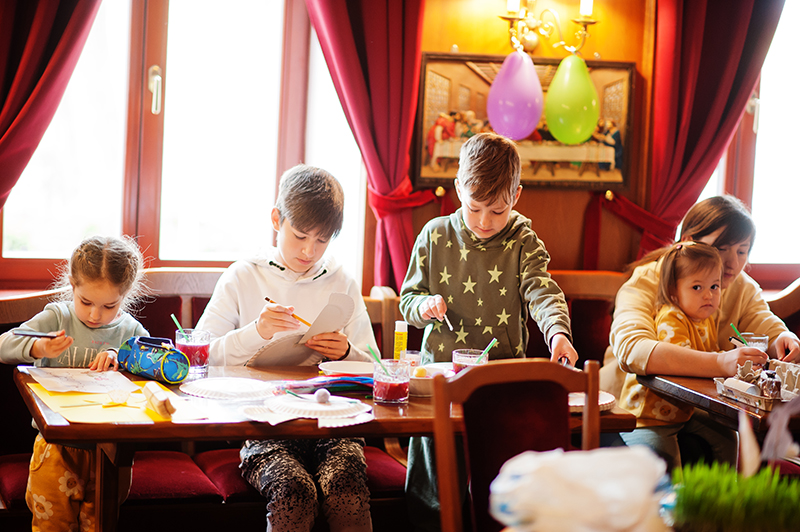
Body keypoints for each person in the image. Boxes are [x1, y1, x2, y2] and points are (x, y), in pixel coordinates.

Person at [399, 132, 578, 531]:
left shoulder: (523, 240)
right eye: (474, 207)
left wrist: (557, 334)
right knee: (433, 492)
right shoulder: (434, 235)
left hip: (500, 385)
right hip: (439, 383)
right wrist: (423, 307)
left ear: (516, 195)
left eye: (497, 211)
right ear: (458, 187)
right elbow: (407, 300)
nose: (483, 222)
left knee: (502, 489)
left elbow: (542, 292)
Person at [195, 164, 377, 532]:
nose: (309, 251)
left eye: (322, 240)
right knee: (294, 491)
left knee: (346, 489)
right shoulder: (244, 275)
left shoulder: (342, 281)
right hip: (264, 428)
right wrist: (257, 332)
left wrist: (344, 354)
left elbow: (376, 368)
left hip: (333, 425)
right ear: (276, 219)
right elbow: (200, 359)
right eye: (299, 236)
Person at [606, 195, 800, 468]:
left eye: (742, 251)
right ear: (687, 241)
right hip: (628, 407)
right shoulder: (650, 278)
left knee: (730, 438)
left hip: (691, 408)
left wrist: (784, 338)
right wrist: (721, 362)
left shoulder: (741, 286)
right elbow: (632, 349)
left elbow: (762, 321)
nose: (732, 263)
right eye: (721, 249)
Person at [0, 235, 149, 532]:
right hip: (57, 448)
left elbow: (157, 362)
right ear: (72, 285)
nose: (95, 315)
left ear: (125, 294)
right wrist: (38, 349)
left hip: (109, 451)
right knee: (51, 526)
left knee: (101, 525)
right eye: (86, 302)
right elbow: (4, 344)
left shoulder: (130, 329)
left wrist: (122, 355)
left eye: (109, 305)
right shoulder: (58, 316)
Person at [617, 241, 730, 470]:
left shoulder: (705, 318)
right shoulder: (672, 317)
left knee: (728, 435)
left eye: (715, 286)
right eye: (697, 287)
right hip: (648, 418)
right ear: (673, 292)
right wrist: (721, 363)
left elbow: (707, 356)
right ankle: (675, 503)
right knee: (666, 463)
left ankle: (729, 490)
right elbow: (684, 365)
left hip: (683, 412)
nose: (708, 295)